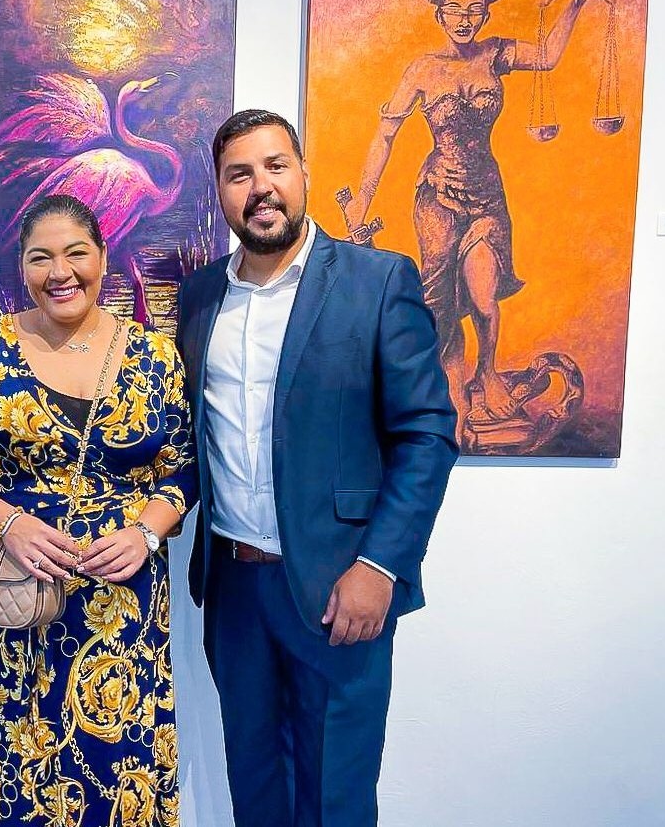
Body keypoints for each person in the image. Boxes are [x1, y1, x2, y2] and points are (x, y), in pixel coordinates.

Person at [176, 110, 458, 826]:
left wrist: (380, 566)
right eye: (239, 174)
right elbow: (189, 438)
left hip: (340, 587)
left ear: (303, 173)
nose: (260, 187)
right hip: (235, 593)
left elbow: (426, 434)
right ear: (220, 191)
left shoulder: (376, 280)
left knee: (334, 797)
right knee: (255, 790)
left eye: (275, 166)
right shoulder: (200, 297)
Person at [0, 194, 196, 827]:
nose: (60, 272)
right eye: (40, 257)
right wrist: (10, 523)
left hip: (118, 611)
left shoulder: (155, 356)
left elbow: (184, 468)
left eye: (76, 253)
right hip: (4, 602)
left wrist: (146, 534)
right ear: (22, 267)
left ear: (103, 257)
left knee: (116, 777)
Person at [343, 0, 597, 436]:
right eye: (455, 9)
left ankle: (488, 372)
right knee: (440, 301)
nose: (465, 19)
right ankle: (455, 391)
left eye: (475, 10)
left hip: (486, 193)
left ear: (486, 15)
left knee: (483, 296)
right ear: (439, 13)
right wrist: (362, 200)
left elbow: (548, 56)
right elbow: (385, 136)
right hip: (437, 195)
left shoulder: (496, 54)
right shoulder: (422, 70)